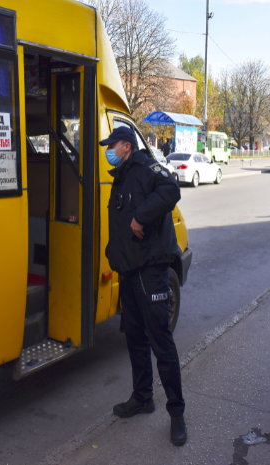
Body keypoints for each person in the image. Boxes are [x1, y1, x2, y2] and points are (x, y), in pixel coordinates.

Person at [101, 126, 187, 446]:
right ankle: (143, 397)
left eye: (111, 144)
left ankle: (177, 413)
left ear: (126, 145)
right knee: (135, 338)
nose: (108, 149)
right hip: (129, 270)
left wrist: (141, 217)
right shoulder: (122, 174)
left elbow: (170, 189)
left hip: (149, 270)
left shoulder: (143, 167)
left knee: (160, 341)